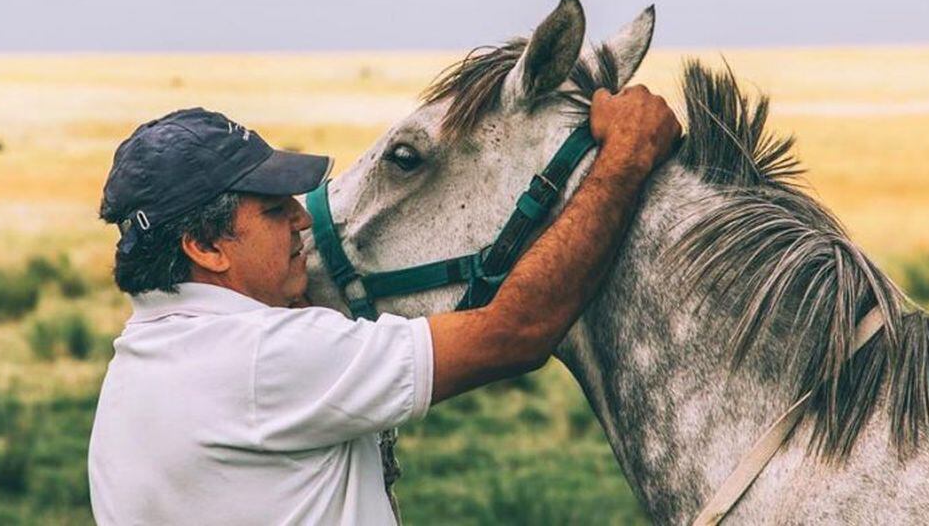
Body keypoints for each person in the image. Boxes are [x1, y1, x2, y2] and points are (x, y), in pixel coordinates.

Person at [88, 86, 681, 525]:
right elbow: (517, 332)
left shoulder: (135, 371)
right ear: (205, 247)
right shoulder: (266, 359)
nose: (301, 218)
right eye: (273, 211)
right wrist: (625, 158)